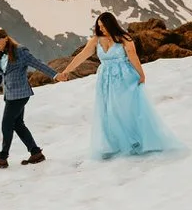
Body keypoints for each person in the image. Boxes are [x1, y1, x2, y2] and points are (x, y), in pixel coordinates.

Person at [57, 11, 181, 160]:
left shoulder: (124, 38)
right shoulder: (96, 40)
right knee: (108, 109)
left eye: (103, 26)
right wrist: (66, 71)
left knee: (125, 108)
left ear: (111, 25)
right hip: (105, 79)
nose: (101, 29)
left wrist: (141, 74)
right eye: (99, 26)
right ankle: (115, 143)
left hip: (124, 76)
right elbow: (81, 56)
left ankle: (135, 141)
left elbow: (132, 56)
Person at [0, 28, 54, 169]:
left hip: (20, 95)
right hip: (10, 95)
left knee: (6, 123)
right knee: (18, 125)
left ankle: (2, 157)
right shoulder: (0, 56)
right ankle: (36, 153)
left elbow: (38, 64)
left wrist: (55, 75)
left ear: (5, 38)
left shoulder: (20, 51)